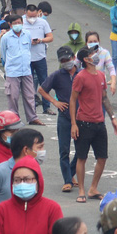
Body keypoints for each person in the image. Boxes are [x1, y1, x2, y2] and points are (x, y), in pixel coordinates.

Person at [70, 46, 117, 204]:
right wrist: (73, 124)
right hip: (83, 123)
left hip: (100, 123)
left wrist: (112, 117)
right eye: (93, 53)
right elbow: (72, 99)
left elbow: (104, 98)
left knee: (102, 157)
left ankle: (93, 188)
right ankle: (82, 190)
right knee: (81, 157)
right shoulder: (80, 77)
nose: (96, 55)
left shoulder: (101, 75)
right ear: (86, 59)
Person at [38, 46, 80, 191]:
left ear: (73, 58)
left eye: (68, 59)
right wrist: (54, 102)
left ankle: (71, 173)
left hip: (81, 117)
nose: (66, 62)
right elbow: (41, 89)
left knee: (81, 150)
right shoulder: (57, 75)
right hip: (64, 116)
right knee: (64, 150)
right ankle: (67, 180)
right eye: (63, 60)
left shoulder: (81, 74)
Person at [0, 15, 41, 125]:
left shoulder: (27, 34)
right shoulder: (6, 37)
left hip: (26, 70)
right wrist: (9, 65)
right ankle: (14, 118)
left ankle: (32, 117)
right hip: (12, 71)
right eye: (15, 23)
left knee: (30, 95)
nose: (17, 25)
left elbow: (28, 49)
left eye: (19, 22)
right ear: (10, 25)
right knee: (13, 96)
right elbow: (3, 53)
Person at [22, 4, 54, 115]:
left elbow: (50, 37)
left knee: (44, 82)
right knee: (29, 84)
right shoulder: (20, 22)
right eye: (30, 16)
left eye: (34, 16)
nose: (32, 19)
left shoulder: (42, 22)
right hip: (26, 58)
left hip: (40, 57)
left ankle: (47, 107)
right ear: (25, 12)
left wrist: (40, 40)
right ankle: (31, 108)